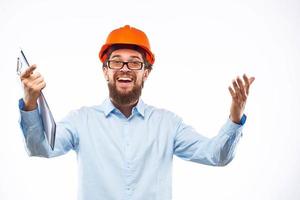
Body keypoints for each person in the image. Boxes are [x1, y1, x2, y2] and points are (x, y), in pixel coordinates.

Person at [18, 25, 255, 200]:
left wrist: (235, 118)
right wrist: (30, 104)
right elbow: (41, 148)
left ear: (146, 73)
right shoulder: (82, 121)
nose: (125, 68)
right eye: (116, 62)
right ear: (105, 71)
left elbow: (217, 155)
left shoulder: (168, 124)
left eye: (134, 63)